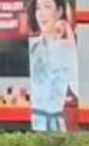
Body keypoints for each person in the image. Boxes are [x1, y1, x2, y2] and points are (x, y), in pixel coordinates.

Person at [28, 0, 78, 132]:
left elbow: (75, 83)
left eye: (47, 7)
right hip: (37, 123)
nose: (41, 13)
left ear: (59, 11)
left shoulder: (65, 48)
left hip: (55, 126)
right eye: (38, 8)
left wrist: (67, 31)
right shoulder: (34, 47)